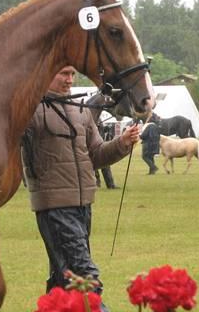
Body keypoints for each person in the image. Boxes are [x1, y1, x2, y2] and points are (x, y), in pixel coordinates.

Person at [21, 66, 140, 295]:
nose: (70, 80)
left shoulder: (81, 110)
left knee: (63, 280)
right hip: (54, 207)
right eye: (63, 73)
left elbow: (95, 155)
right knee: (85, 278)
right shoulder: (29, 110)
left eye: (72, 74)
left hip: (83, 205)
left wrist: (122, 142)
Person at [94, 122, 118, 189]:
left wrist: (105, 129)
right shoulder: (92, 120)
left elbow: (101, 133)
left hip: (101, 146)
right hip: (93, 147)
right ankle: (96, 183)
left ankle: (110, 184)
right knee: (94, 167)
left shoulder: (100, 122)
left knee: (106, 166)